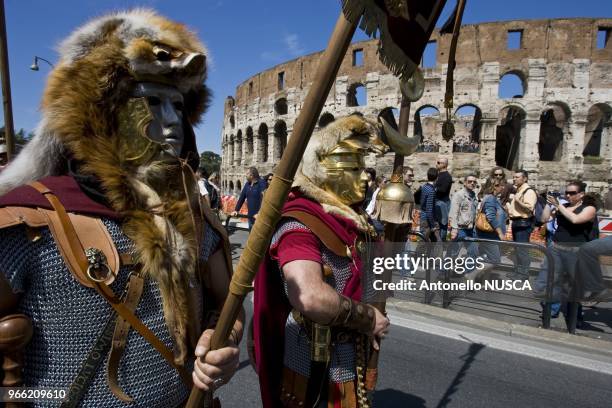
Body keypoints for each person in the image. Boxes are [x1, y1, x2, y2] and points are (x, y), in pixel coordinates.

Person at [0, 11, 243, 406]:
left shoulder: (194, 219)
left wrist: (222, 343)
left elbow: (226, 308)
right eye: (150, 102)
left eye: (177, 106)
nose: (171, 123)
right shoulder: (30, 220)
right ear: (103, 112)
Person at [252, 115, 392, 407]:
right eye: (355, 168)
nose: (366, 176)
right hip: (310, 356)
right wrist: (368, 318)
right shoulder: (300, 223)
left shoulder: (353, 221)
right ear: (327, 171)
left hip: (350, 353)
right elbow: (310, 296)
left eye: (365, 168)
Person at [535, 181, 598, 318]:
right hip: (557, 247)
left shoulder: (589, 208)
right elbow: (544, 219)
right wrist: (549, 204)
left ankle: (575, 316)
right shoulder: (563, 206)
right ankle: (551, 311)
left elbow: (575, 220)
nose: (568, 195)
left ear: (581, 194)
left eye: (572, 193)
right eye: (566, 193)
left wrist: (558, 206)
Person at [469, 178, 507, 280]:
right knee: (495, 260)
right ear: (494, 186)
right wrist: (500, 233)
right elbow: (491, 217)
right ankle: (471, 275)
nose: (503, 188)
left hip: (491, 234)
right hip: (489, 234)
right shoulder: (490, 199)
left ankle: (485, 281)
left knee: (488, 258)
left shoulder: (494, 199)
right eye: (501, 185)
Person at [507, 170, 538, 278]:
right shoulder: (520, 190)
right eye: (514, 177)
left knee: (522, 250)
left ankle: (523, 274)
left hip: (523, 223)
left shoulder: (528, 191)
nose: (514, 179)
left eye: (517, 177)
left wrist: (518, 201)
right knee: (518, 249)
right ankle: (518, 272)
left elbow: (530, 207)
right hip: (517, 222)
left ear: (525, 179)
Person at [447, 174, 479, 269]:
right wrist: (454, 229)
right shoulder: (459, 195)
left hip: (470, 229)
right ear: (465, 183)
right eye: (470, 181)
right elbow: (453, 212)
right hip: (460, 229)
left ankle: (468, 273)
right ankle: (442, 273)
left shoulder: (474, 195)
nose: (472, 183)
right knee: (453, 253)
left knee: (473, 252)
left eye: (474, 182)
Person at [434, 157, 453, 241]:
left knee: (442, 225)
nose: (436, 164)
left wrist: (433, 187)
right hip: (437, 202)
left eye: (439, 162)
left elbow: (443, 190)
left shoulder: (447, 176)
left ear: (444, 165)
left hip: (443, 203)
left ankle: (440, 246)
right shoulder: (438, 175)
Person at [420, 167, 439, 241]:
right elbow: (429, 209)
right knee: (424, 242)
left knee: (425, 241)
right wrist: (433, 225)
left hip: (424, 217)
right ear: (436, 177)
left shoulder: (425, 186)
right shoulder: (431, 191)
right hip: (427, 220)